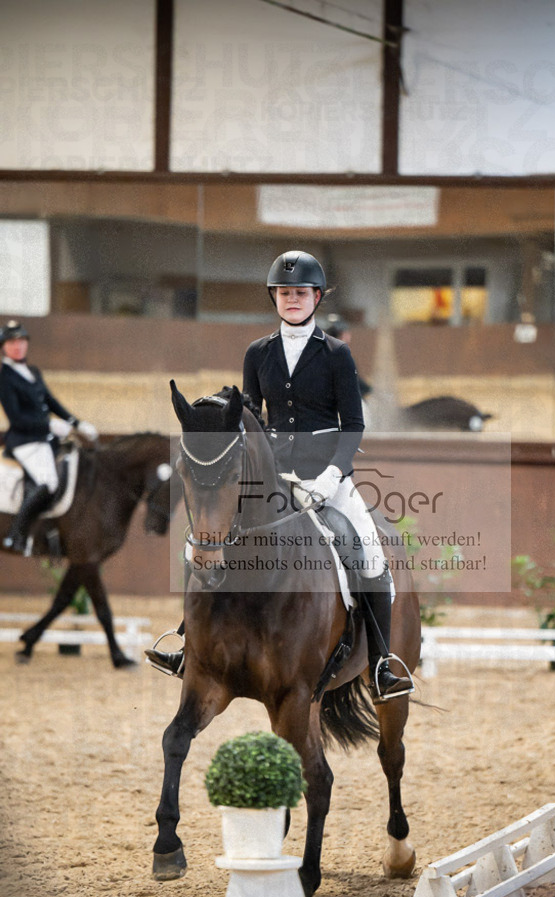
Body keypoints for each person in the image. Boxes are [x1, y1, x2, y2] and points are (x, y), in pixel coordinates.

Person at [147, 251, 413, 702]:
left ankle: (384, 661)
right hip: (274, 474)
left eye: (301, 293)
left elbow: (353, 425)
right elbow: (250, 414)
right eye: (285, 293)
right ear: (275, 297)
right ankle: (189, 644)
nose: (293, 299)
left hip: (327, 474)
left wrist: (332, 476)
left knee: (368, 551)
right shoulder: (258, 353)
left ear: (316, 297)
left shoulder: (336, 354)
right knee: (211, 543)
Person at [0, 320, 99, 553]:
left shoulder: (33, 371)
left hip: (46, 440)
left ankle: (54, 530)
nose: (18, 346)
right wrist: (49, 426)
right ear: (4, 347)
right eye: (12, 342)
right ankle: (16, 534)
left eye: (21, 341)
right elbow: (17, 418)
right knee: (48, 482)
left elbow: (50, 401)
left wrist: (77, 423)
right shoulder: (4, 377)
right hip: (25, 441)